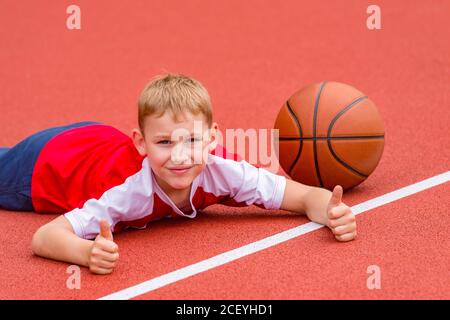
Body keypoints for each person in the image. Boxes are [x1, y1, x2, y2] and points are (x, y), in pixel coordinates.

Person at [0, 74, 357, 275]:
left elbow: (302, 196)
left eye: (193, 140)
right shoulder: (128, 190)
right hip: (49, 164)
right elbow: (45, 237)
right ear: (141, 143)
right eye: (165, 142)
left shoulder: (222, 169)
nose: (181, 155)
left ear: (213, 138)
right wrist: (84, 253)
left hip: (95, 143)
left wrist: (330, 211)